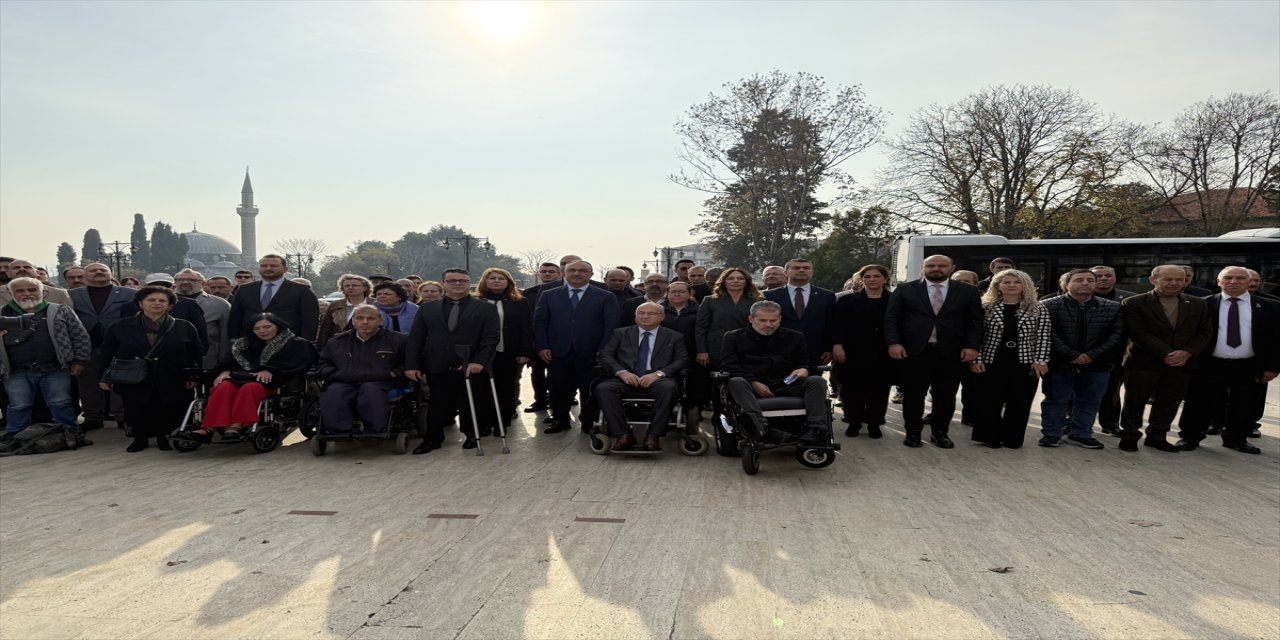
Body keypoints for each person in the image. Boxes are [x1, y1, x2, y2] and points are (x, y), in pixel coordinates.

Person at [1176, 267, 1280, 454]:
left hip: (1249, 364)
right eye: (1228, 278)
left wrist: (1273, 367)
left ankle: (1236, 438)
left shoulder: (1270, 307)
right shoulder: (1202, 304)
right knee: (1199, 401)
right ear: (1218, 282)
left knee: (1244, 403)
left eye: (1240, 278)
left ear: (1250, 283)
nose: (1234, 281)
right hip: (1209, 363)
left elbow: (1276, 340)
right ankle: (1190, 437)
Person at [884, 254, 983, 449]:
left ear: (952, 267)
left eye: (941, 265)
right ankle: (913, 433)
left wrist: (972, 347)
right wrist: (894, 343)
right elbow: (891, 319)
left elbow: (975, 322)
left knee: (945, 396)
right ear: (923, 268)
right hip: (914, 352)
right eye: (931, 265)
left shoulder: (967, 291)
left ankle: (940, 433)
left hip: (951, 353)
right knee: (913, 395)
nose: (936, 269)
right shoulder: (906, 290)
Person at [1117, 265, 1213, 453]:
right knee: (1134, 402)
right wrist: (1167, 353)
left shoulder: (1197, 303)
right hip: (1143, 363)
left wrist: (1186, 353)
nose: (1175, 283)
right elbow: (1137, 332)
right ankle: (1129, 435)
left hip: (1181, 364)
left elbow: (1205, 331)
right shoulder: (1133, 303)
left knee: (1169, 402)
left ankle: (1157, 436)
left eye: (1180, 279)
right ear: (1153, 280)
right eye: (1168, 279)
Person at [97, 286, 203, 451]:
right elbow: (106, 353)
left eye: (162, 301)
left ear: (170, 305)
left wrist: (193, 377)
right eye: (151, 300)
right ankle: (139, 439)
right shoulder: (120, 327)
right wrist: (104, 377)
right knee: (135, 407)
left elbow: (195, 354)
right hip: (133, 375)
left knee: (167, 407)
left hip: (172, 375)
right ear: (140, 303)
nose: (157, 304)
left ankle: (164, 437)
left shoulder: (184, 327)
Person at [405, 269, 500, 452]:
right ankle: (433, 439)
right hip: (437, 363)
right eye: (452, 281)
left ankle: (472, 434)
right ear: (444, 284)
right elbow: (416, 338)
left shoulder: (485, 308)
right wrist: (412, 364)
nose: (458, 284)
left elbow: (490, 338)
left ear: (468, 283)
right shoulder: (427, 308)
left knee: (470, 402)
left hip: (470, 364)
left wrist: (480, 361)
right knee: (437, 403)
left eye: (462, 281)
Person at [192, 313, 316, 442]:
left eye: (267, 326)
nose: (262, 331)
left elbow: (300, 364)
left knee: (250, 388)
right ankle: (209, 427)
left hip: (275, 383)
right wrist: (225, 371)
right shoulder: (245, 344)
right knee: (224, 386)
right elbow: (228, 361)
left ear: (278, 326)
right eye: (256, 329)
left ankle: (236, 426)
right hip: (241, 378)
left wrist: (271, 370)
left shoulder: (296, 343)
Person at [1038, 269, 1126, 449]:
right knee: (1056, 399)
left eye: (1089, 280)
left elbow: (1117, 335)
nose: (1085, 283)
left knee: (1089, 400)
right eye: (1079, 280)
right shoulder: (1047, 305)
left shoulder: (1112, 307)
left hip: (1097, 364)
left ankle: (1081, 434)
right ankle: (1052, 433)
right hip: (1059, 363)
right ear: (1066, 284)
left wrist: (1091, 355)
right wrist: (1072, 354)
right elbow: (1048, 333)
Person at [722, 300, 829, 445]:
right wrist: (753, 382)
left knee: (817, 381)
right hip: (750, 386)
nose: (768, 324)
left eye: (773, 320)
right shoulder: (733, 337)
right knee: (736, 381)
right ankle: (763, 429)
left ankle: (817, 430)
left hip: (785, 383)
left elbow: (803, 363)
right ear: (751, 319)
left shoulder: (795, 337)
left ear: (780, 319)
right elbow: (729, 365)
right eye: (763, 320)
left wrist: (804, 369)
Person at [532, 260, 620, 434]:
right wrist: (542, 346)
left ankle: (589, 422)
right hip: (557, 352)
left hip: (591, 353)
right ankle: (560, 419)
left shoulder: (605, 296)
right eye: (572, 270)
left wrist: (603, 351)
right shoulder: (549, 294)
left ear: (591, 274)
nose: (577, 274)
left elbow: (611, 326)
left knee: (589, 389)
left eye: (582, 270)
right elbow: (539, 322)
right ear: (564, 273)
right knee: (558, 389)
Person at [968, 269, 1051, 449]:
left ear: (1025, 285)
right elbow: (977, 335)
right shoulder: (986, 306)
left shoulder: (1037, 307)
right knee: (989, 400)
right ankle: (990, 437)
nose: (1012, 285)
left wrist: (1041, 360)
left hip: (1024, 362)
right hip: (992, 360)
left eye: (1016, 282)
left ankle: (1012, 439)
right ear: (997, 286)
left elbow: (1043, 335)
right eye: (1006, 282)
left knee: (1019, 402)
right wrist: (977, 360)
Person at [0, 277, 91, 440]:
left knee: (60, 402)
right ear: (10, 293)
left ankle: (70, 433)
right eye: (20, 291)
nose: (27, 294)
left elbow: (79, 336)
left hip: (55, 367)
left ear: (43, 291)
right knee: (18, 405)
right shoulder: (2, 314)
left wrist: (79, 360)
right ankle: (14, 437)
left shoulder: (60, 310)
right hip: (16, 370)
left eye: (32, 289)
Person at [595, 302, 689, 451]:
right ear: (635, 316)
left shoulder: (674, 336)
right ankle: (623, 434)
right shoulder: (620, 333)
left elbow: (682, 360)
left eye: (651, 313)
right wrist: (622, 372)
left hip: (658, 378)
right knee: (604, 388)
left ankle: (653, 435)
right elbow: (606, 355)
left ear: (662, 317)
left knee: (669, 388)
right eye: (641, 313)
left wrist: (658, 374)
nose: (645, 316)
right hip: (626, 377)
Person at [316, 304, 407, 437]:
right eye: (360, 318)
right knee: (334, 393)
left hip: (381, 381)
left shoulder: (399, 340)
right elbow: (323, 363)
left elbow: (408, 363)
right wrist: (335, 374)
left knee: (370, 391)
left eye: (371, 318)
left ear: (380, 320)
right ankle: (339, 431)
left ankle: (375, 430)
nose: (365, 322)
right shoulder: (337, 341)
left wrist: (395, 373)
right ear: (353, 321)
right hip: (345, 380)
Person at [69, 263, 137, 431]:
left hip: (119, 346)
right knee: (88, 384)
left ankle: (123, 417)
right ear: (84, 276)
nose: (98, 272)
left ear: (111, 274)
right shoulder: (71, 295)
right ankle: (93, 417)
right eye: (93, 270)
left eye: (103, 270)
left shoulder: (130, 293)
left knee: (120, 383)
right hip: (86, 346)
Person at [831, 264, 893, 438]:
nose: (872, 280)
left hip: (883, 352)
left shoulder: (895, 300)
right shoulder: (846, 300)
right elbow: (837, 325)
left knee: (879, 390)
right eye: (868, 276)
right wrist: (837, 345)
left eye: (876, 276)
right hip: (852, 351)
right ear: (861, 279)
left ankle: (874, 423)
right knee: (852, 389)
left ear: (885, 279)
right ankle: (854, 422)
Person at [474, 267, 534, 426]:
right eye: (492, 278)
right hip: (481, 353)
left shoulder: (520, 302)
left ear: (508, 282)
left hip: (508, 351)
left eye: (501, 278)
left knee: (506, 386)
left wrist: (525, 351)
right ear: (484, 281)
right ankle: (484, 421)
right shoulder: (475, 301)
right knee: (482, 387)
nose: (496, 281)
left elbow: (526, 328)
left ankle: (503, 419)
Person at [228, 254, 320, 342]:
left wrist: (305, 342)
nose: (268, 268)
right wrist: (234, 339)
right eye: (264, 266)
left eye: (273, 266)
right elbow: (235, 317)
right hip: (250, 342)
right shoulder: (244, 290)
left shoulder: (302, 290)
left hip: (289, 343)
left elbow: (310, 319)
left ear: (285, 269)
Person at [764, 258, 835, 367]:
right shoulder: (770, 296)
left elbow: (831, 324)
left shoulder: (827, 296)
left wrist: (829, 348)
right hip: (778, 351)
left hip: (815, 352)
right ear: (786, 272)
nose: (801, 270)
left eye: (806, 268)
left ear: (811, 272)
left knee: (814, 383)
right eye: (796, 268)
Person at [695, 268, 763, 371]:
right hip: (717, 348)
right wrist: (702, 351)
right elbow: (700, 328)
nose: (735, 281)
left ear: (746, 281)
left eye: (740, 278)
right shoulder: (710, 300)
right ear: (723, 281)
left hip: (748, 348)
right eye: (731, 278)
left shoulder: (758, 301)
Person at [520, 263, 562, 413]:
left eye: (551, 272)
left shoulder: (564, 291)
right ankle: (540, 400)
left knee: (558, 373)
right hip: (537, 338)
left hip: (558, 339)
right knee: (537, 372)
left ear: (560, 274)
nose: (547, 274)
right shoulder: (528, 293)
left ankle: (558, 400)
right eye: (543, 271)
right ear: (538, 274)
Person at [174, 269, 232, 374]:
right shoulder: (165, 302)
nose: (185, 282)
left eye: (192, 280)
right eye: (181, 279)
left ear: (203, 283)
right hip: (173, 361)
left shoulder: (220, 305)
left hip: (208, 361)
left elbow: (225, 337)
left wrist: (224, 363)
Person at [660, 281, 705, 412]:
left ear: (690, 294)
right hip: (665, 353)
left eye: (682, 291)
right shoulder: (658, 309)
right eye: (673, 291)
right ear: (667, 294)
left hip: (693, 351)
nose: (677, 294)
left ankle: (693, 410)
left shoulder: (700, 309)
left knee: (695, 382)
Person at [144, 273, 210, 358]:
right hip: (140, 362)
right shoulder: (131, 306)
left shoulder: (188, 305)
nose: (159, 290)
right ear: (145, 287)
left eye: (165, 286)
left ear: (173, 287)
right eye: (154, 286)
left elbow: (201, 337)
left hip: (178, 360)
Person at [318, 274, 373, 348]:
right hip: (341, 346)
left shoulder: (375, 304)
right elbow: (326, 329)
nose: (350, 288)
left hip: (370, 345)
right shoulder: (335, 305)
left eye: (354, 285)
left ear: (365, 288)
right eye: (347, 286)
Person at [0, 259, 71, 306]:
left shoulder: (59, 294)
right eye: (16, 268)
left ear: (37, 273)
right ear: (8, 273)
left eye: (27, 267)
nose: (22, 269)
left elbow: (70, 322)